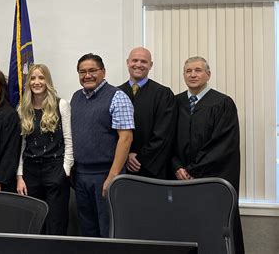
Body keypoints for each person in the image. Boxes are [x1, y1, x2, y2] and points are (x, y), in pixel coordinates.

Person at [173, 56, 244, 253]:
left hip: (211, 180)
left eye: (198, 70)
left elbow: (222, 144)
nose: (193, 74)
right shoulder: (175, 102)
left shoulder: (222, 103)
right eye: (188, 71)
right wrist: (176, 166)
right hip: (178, 180)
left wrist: (192, 170)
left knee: (212, 230)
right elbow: (167, 140)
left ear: (208, 74)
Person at [70, 53, 134, 238]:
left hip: (106, 174)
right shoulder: (76, 97)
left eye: (92, 70)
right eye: (82, 72)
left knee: (109, 231)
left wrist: (113, 175)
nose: (87, 75)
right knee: (87, 229)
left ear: (103, 72)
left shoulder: (117, 97)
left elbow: (126, 138)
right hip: (81, 176)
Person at [16, 64, 73, 235]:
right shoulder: (22, 108)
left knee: (56, 222)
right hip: (30, 171)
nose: (36, 82)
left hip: (55, 167)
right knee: (33, 223)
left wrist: (65, 170)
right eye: (33, 78)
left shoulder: (61, 104)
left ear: (47, 81)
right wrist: (19, 176)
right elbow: (20, 146)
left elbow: (69, 141)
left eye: (41, 78)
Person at [118, 47, 176, 179]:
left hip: (151, 169)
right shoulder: (116, 93)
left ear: (151, 65)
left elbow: (164, 134)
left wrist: (139, 158)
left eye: (143, 61)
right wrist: (125, 155)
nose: (138, 64)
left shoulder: (163, 94)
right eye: (135, 60)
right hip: (121, 167)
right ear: (127, 62)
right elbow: (110, 133)